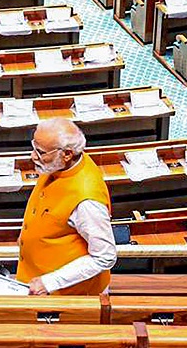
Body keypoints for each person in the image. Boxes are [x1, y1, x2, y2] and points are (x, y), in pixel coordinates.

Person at [16, 118, 116, 295]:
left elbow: (105, 257)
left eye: (40, 152)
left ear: (67, 154)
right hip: (34, 278)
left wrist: (50, 281)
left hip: (68, 295)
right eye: (34, 147)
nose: (33, 156)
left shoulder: (87, 201)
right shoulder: (59, 165)